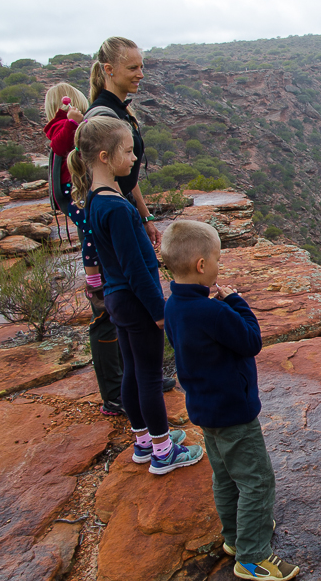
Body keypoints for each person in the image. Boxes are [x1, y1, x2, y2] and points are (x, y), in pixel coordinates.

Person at [161, 220, 298, 580]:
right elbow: (252, 341)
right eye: (217, 259)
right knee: (258, 480)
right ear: (202, 266)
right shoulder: (213, 311)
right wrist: (235, 300)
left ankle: (237, 538)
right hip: (234, 412)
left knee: (225, 477)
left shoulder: (173, 306)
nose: (220, 266)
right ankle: (252, 557)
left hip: (205, 410)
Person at [68, 116, 203, 475]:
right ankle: (163, 450)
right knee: (149, 376)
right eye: (127, 152)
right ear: (104, 156)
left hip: (116, 299)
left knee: (132, 372)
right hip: (134, 300)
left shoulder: (96, 200)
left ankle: (143, 441)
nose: (132, 158)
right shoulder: (114, 206)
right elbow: (135, 268)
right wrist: (158, 311)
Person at [85, 36, 176, 402]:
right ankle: (121, 394)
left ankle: (134, 387)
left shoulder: (119, 110)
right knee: (117, 304)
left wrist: (146, 215)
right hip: (112, 219)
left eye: (142, 66)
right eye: (133, 67)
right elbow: (101, 177)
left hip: (123, 212)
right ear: (109, 70)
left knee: (121, 305)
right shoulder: (103, 116)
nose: (141, 73)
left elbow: (129, 176)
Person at [43, 83, 128, 415]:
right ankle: (113, 394)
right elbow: (64, 144)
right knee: (105, 313)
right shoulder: (64, 132)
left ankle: (128, 381)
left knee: (117, 309)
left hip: (91, 217)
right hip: (91, 224)